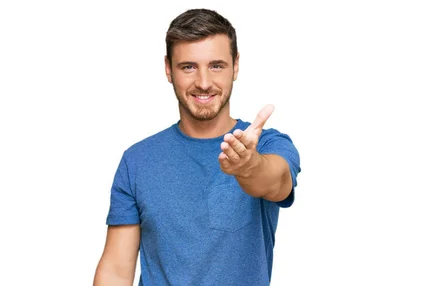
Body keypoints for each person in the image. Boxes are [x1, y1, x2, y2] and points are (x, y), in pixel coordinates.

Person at [93, 8, 301, 286]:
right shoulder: (137, 161)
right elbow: (116, 271)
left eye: (216, 66)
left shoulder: (267, 144)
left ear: (235, 66)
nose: (203, 83)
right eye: (188, 67)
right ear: (168, 69)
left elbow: (275, 183)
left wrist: (248, 166)